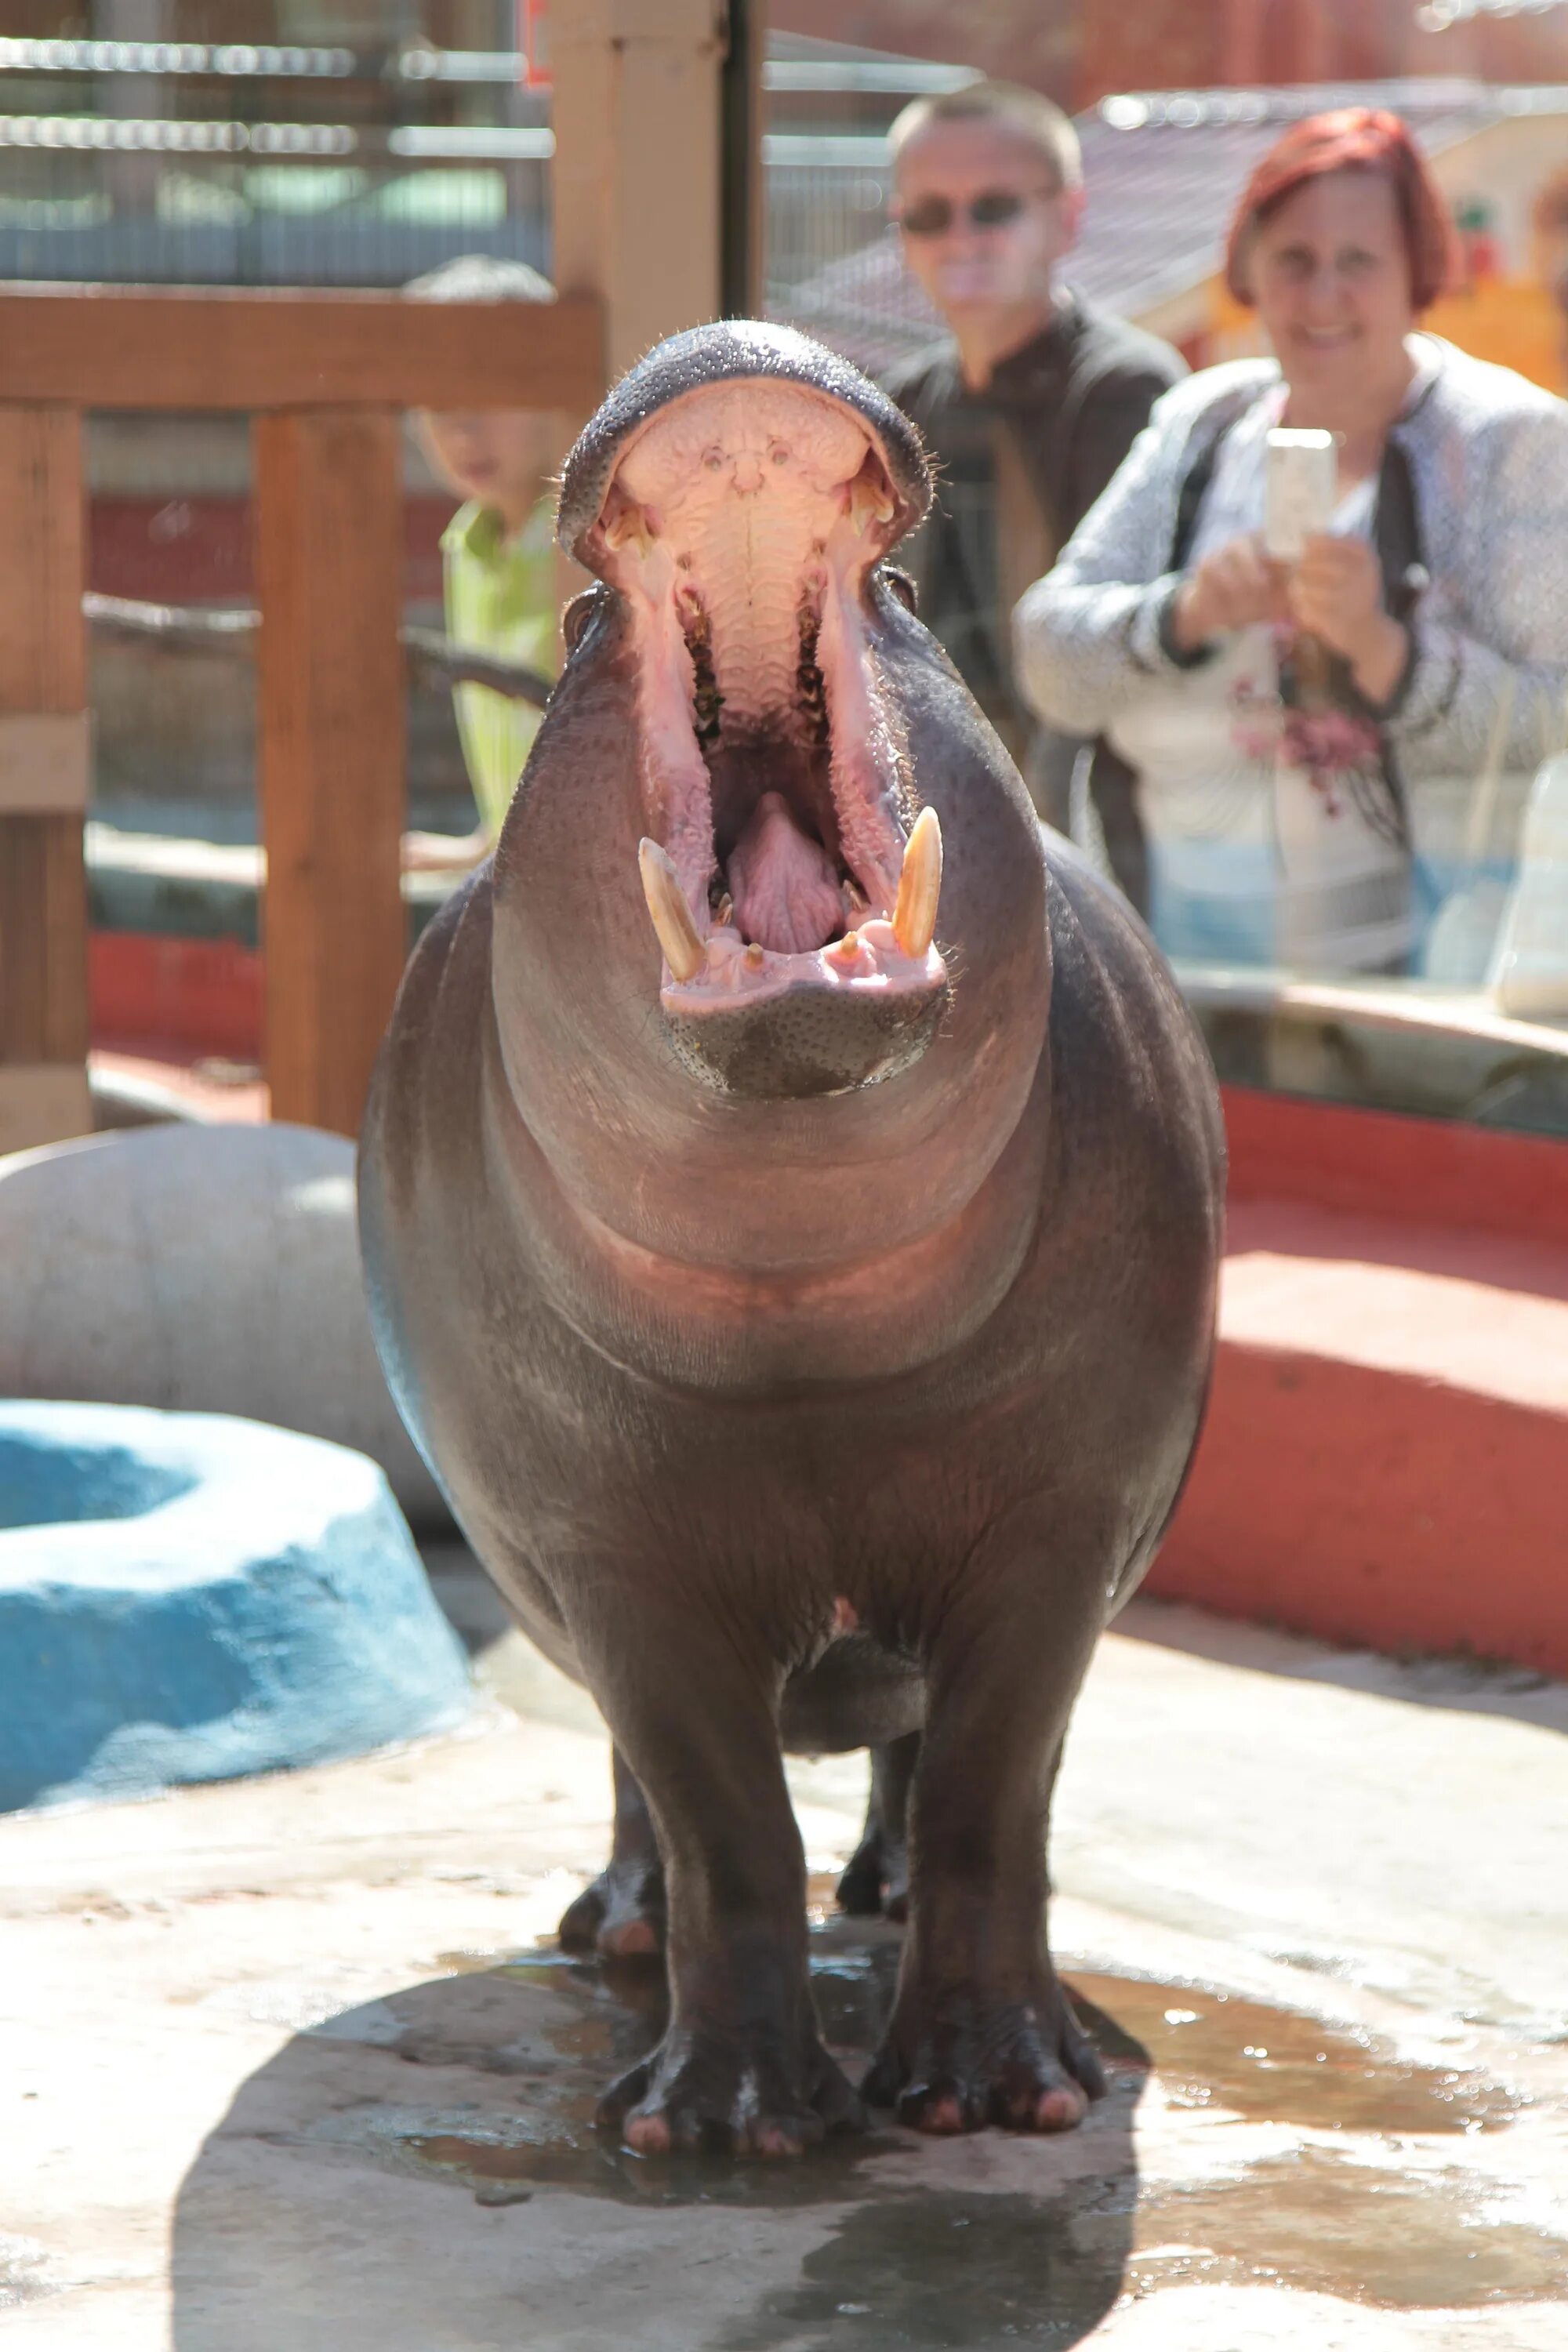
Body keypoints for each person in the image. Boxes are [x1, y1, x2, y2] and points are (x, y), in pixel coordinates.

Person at [1013, 108, 1568, 975]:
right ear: (1248, 272)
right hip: (1175, 981)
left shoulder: (1509, 444)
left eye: (1357, 262)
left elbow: (1555, 728)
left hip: (1423, 1013)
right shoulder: (1202, 420)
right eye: (1292, 261)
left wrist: (1386, 652)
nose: (1320, 297)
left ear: (1417, 272)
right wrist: (1182, 614)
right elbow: (1045, 657)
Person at [881, 81, 1185, 822]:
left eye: (993, 208)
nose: (961, 239)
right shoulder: (902, 404)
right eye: (929, 215)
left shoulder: (1125, 392)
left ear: (1068, 216)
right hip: (928, 820)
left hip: (1094, 834)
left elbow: (1124, 656)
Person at [402, 255, 561, 871]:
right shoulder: (466, 545)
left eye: (492, 394)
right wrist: (485, 845)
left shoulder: (594, 541)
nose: (464, 430)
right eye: (439, 404)